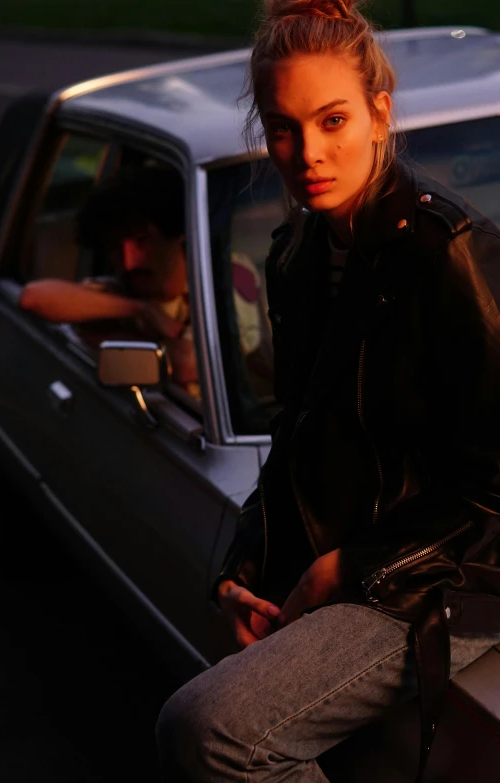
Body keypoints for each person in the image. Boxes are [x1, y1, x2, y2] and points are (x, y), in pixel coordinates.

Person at [155, 1, 500, 781]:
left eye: (333, 120)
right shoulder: (299, 254)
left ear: (380, 114)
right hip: (370, 555)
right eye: (283, 127)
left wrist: (345, 569)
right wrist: (236, 569)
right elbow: (300, 438)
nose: (307, 152)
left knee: (205, 727)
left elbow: (498, 493)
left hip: (454, 577)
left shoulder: (453, 258)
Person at [20, 166, 264, 397]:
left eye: (142, 241)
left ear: (177, 233)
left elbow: (188, 363)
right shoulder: (123, 292)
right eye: (116, 247)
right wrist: (141, 310)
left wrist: (104, 338)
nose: (129, 262)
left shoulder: (224, 273)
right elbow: (34, 298)